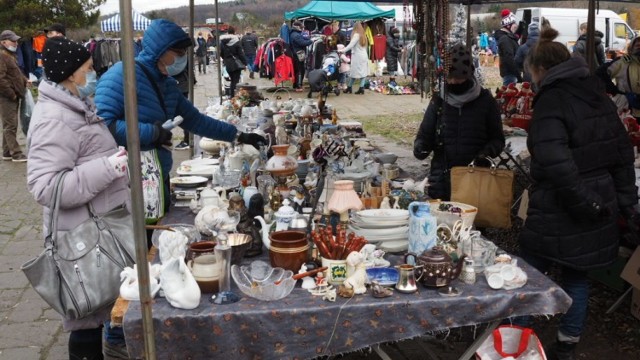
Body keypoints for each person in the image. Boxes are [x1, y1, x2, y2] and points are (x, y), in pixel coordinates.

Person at [519, 27, 638, 360]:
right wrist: (625, 205)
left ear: (540, 69)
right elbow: (622, 155)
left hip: (564, 204)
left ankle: (515, 339)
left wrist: (586, 202)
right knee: (576, 277)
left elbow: (556, 163)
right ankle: (566, 345)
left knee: (527, 277)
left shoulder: (552, 99)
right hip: (595, 203)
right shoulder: (597, 95)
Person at [94, 19, 265, 221]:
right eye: (179, 53)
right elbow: (103, 126)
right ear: (162, 50)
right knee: (139, 239)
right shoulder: (122, 74)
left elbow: (196, 121)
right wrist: (153, 133)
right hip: (129, 181)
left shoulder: (167, 84)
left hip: (158, 176)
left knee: (157, 234)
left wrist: (239, 135)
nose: (182, 58)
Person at [27, 37, 132, 360]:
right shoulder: (55, 118)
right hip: (81, 238)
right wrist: (107, 167)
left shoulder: (75, 107)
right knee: (85, 316)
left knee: (96, 313)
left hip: (97, 229)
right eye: (88, 69)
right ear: (72, 75)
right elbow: (45, 187)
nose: (93, 74)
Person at [413, 43, 505, 200]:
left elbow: (498, 139)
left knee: (473, 221)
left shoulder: (485, 101)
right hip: (441, 179)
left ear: (469, 75)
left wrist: (486, 153)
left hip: (475, 179)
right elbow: (425, 134)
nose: (454, 82)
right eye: (450, 78)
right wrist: (421, 147)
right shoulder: (439, 100)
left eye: (459, 78)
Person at [597, 36, 640, 122]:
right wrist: (614, 90)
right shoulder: (622, 62)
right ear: (631, 48)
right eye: (637, 44)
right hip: (626, 108)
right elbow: (600, 73)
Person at [0, 29, 28, 162]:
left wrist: (24, 80)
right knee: (10, 125)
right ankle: (16, 153)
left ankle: (6, 152)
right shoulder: (2, 56)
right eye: (13, 41)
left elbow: (15, 73)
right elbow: (1, 79)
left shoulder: (9, 55)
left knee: (9, 124)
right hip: (6, 97)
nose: (15, 43)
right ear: (3, 42)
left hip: (12, 95)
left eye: (16, 41)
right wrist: (11, 94)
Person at [340, 21, 369, 94]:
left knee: (353, 72)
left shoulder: (356, 35)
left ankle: (349, 87)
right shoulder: (363, 35)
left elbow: (350, 45)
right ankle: (361, 88)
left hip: (357, 56)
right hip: (364, 55)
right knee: (363, 72)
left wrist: (342, 50)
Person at [494, 10, 520, 85]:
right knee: (508, 94)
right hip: (510, 73)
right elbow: (509, 58)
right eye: (513, 24)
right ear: (508, 25)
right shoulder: (505, 39)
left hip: (510, 72)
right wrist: (518, 74)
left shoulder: (507, 37)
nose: (515, 26)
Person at [219, 26, 246, 97]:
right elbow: (241, 54)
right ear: (234, 32)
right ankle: (234, 96)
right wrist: (245, 63)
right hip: (236, 64)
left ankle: (232, 96)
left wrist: (226, 59)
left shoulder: (222, 42)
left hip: (228, 64)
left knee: (232, 80)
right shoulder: (236, 41)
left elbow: (221, 53)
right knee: (236, 81)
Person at [289, 21, 312, 92]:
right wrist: (311, 41)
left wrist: (308, 38)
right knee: (300, 70)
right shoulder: (295, 35)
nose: (302, 29)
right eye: (301, 27)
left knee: (298, 70)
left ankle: (296, 85)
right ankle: (298, 86)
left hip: (297, 54)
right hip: (298, 54)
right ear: (297, 27)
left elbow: (303, 39)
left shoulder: (295, 33)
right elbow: (302, 43)